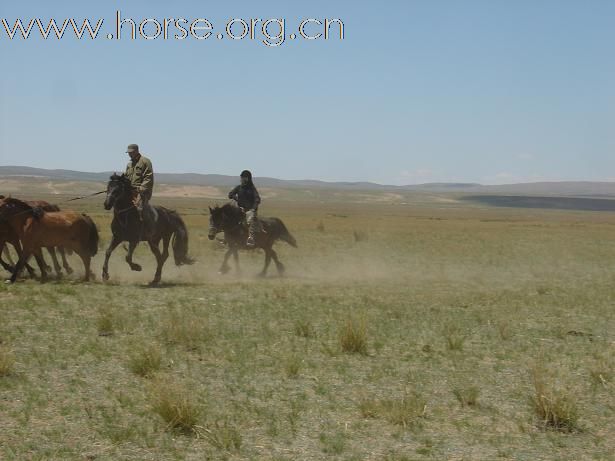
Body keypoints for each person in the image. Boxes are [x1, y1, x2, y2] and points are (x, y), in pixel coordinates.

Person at [124, 144, 154, 236]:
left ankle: (147, 229)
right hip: (130, 192)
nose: (130, 154)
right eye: (128, 153)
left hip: (142, 192)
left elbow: (148, 177)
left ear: (136, 151)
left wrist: (141, 188)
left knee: (139, 207)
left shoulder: (145, 161)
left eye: (131, 152)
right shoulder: (129, 164)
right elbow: (126, 178)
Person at [228, 170, 261, 247]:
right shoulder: (239, 187)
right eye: (241, 177)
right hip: (240, 209)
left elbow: (257, 199)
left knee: (250, 221)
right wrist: (235, 198)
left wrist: (253, 209)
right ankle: (228, 237)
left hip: (250, 210)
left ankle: (251, 238)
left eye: (243, 177)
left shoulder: (252, 189)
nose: (241, 179)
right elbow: (230, 194)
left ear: (247, 178)